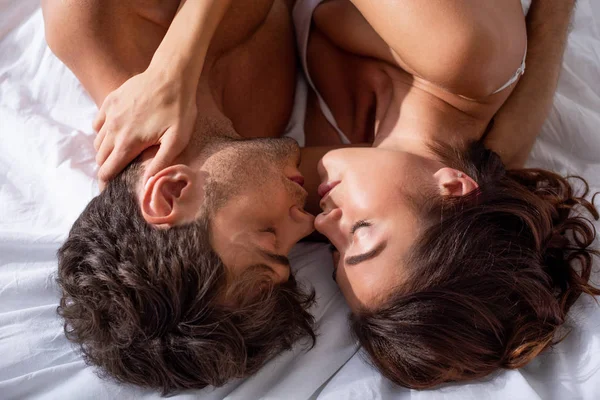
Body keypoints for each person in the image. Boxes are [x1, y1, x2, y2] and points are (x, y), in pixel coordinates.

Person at [299, 0, 600, 389]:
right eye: (361, 229)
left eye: (336, 253)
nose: (321, 222)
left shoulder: (348, 170)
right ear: (455, 188)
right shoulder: (462, 49)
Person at [42, 0, 318, 394]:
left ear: (171, 193)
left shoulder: (92, 17)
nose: (306, 220)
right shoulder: (255, 127)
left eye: (270, 236)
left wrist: (174, 65)